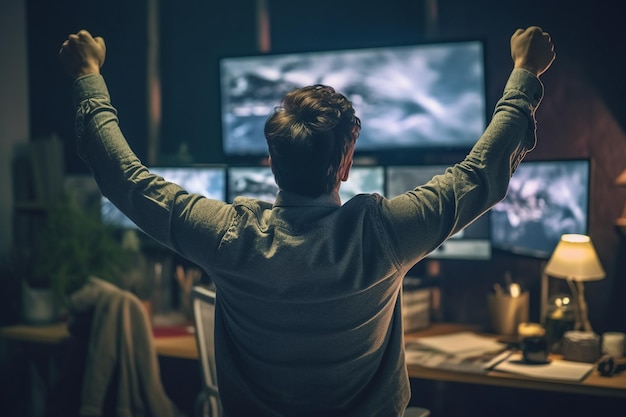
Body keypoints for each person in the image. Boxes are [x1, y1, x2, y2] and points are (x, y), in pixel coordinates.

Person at [59, 26, 555, 417]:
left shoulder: (227, 237)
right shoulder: (385, 233)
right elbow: (479, 175)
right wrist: (525, 71)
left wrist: (87, 75)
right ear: (344, 166)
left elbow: (126, 180)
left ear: (271, 164)